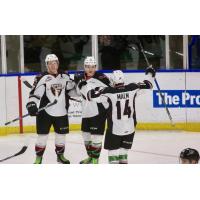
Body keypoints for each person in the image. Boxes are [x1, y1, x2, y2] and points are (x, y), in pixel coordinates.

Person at [87, 68, 156, 164]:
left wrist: (95, 88)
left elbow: (90, 96)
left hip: (115, 130)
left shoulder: (108, 92)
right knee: (123, 155)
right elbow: (149, 84)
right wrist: (150, 73)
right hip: (130, 129)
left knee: (113, 154)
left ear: (113, 81)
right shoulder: (133, 88)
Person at [26, 54, 76, 164]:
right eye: (50, 63)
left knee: (61, 137)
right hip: (45, 113)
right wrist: (31, 104)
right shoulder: (41, 77)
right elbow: (35, 94)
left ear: (58, 63)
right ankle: (38, 158)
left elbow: (72, 91)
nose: (53, 65)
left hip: (61, 112)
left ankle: (60, 156)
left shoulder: (65, 76)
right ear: (46, 65)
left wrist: (80, 87)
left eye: (55, 63)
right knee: (42, 138)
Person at [74, 56, 111, 164]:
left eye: (93, 67)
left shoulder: (102, 78)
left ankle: (95, 159)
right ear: (84, 67)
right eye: (88, 67)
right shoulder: (80, 77)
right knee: (85, 135)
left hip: (99, 111)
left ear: (96, 67)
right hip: (86, 111)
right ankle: (90, 156)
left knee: (96, 137)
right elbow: (76, 92)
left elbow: (112, 91)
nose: (90, 69)